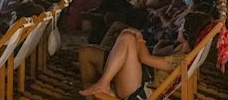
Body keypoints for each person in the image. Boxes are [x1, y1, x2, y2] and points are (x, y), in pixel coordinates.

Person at [79, 12, 213, 100]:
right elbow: (155, 52)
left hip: (141, 92)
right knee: (86, 52)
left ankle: (104, 83)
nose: (178, 28)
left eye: (181, 27)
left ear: (187, 33)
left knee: (127, 37)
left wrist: (140, 38)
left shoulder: (182, 59)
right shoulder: (181, 49)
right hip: (141, 75)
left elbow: (145, 58)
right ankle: (93, 93)